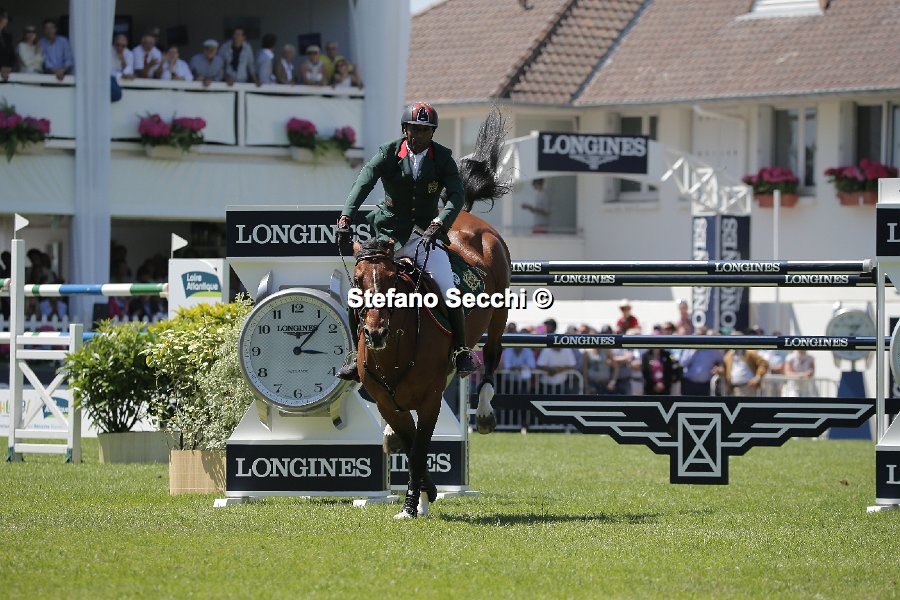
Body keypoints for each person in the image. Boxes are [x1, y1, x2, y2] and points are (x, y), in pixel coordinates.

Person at [336, 102, 477, 380]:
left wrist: (439, 223)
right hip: (389, 237)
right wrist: (345, 217)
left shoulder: (443, 158)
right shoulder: (388, 152)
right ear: (405, 129)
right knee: (360, 291)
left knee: (449, 290)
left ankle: (461, 352)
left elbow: (457, 195)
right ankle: (355, 355)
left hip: (425, 237)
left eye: (425, 130)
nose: (419, 136)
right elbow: (364, 182)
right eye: (414, 129)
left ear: (432, 133)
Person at [535, 319, 577, 393]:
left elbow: (572, 364)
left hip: (561, 384)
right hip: (546, 384)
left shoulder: (567, 350)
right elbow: (540, 364)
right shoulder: (546, 349)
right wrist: (551, 370)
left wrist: (558, 370)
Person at [583, 325, 617, 394]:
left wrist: (612, 382)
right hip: (592, 383)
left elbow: (616, 367)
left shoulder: (606, 350)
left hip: (605, 383)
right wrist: (586, 386)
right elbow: (585, 370)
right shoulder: (587, 352)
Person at [0, 9, 14, 81]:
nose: (6, 21)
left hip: (6, 75)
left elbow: (12, 55)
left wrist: (8, 67)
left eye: (5, 18)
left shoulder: (7, 37)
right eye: (4, 17)